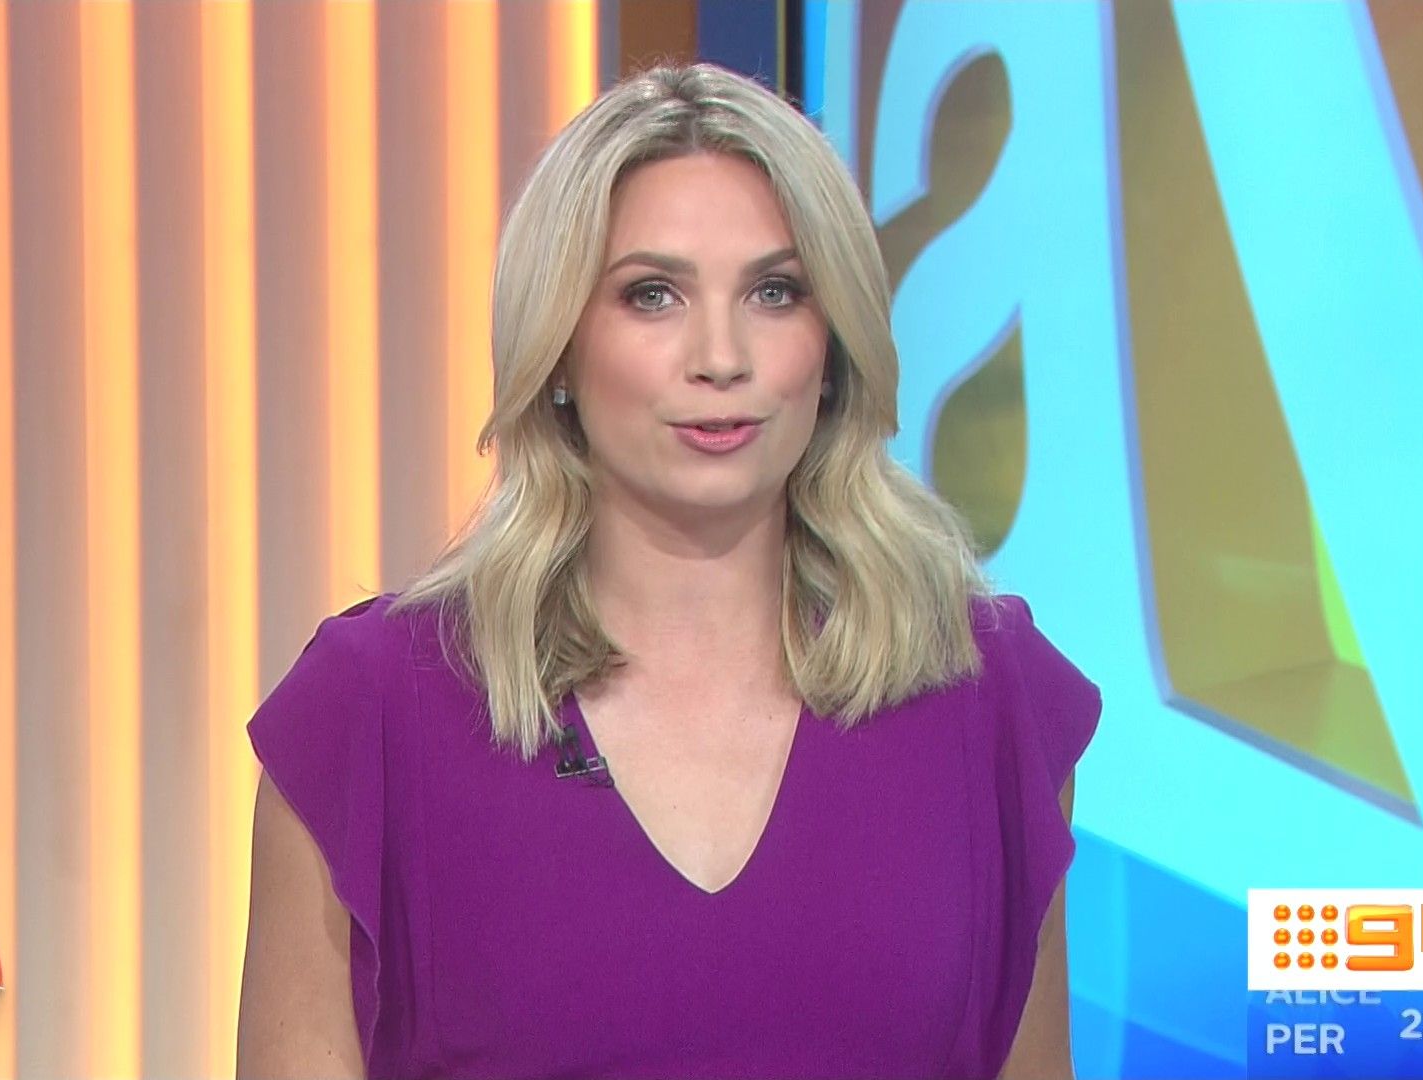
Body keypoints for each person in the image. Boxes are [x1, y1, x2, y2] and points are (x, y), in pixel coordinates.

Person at [236, 62, 1100, 1080]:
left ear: (833, 345)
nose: (721, 356)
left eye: (775, 292)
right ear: (560, 348)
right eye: (653, 295)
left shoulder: (986, 697)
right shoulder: (374, 712)